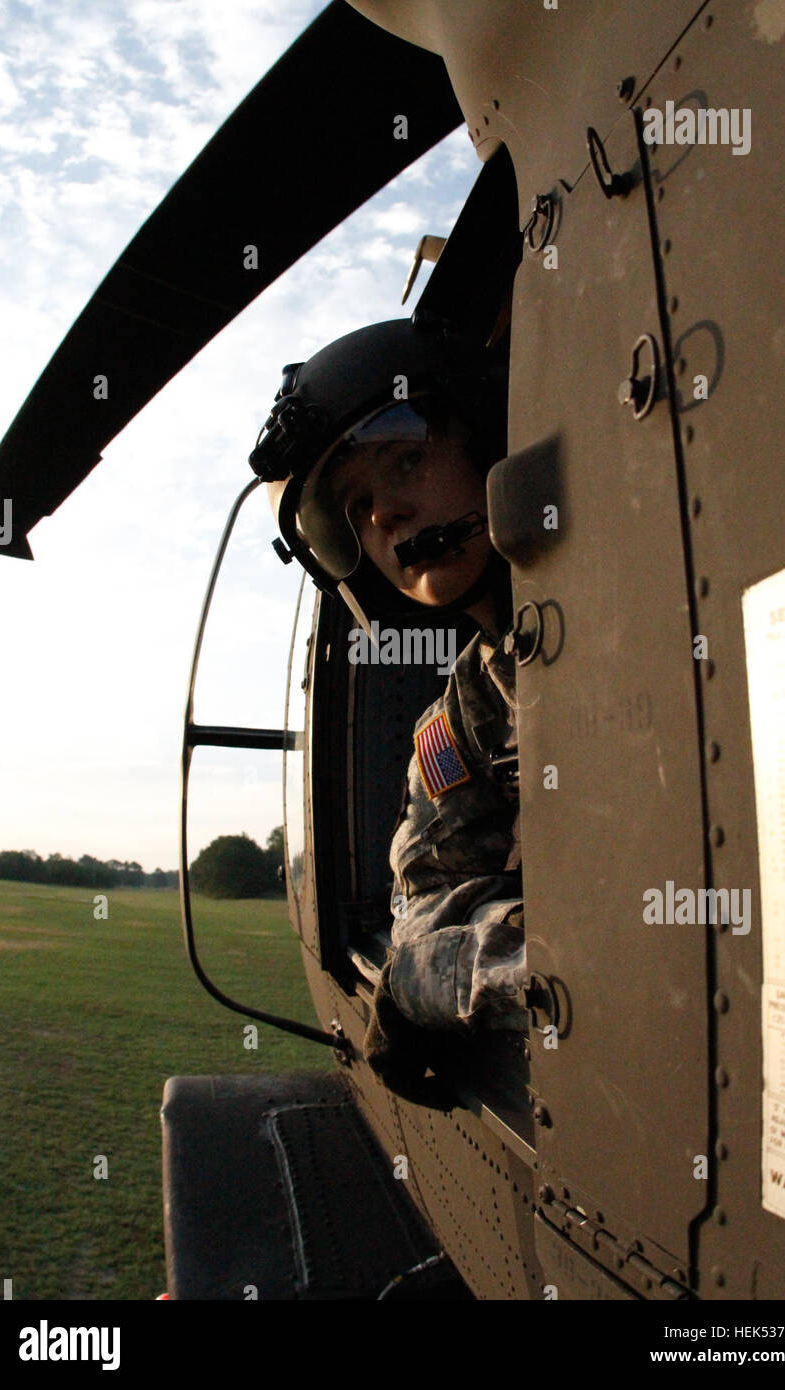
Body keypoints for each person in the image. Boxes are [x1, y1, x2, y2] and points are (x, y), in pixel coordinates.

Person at [249, 317, 527, 1102]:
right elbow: (421, 903)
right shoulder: (467, 704)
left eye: (407, 460)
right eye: (357, 506)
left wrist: (423, 977)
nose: (386, 517)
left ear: (486, 438)